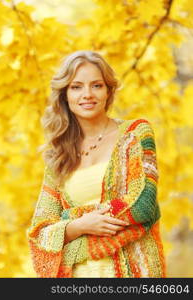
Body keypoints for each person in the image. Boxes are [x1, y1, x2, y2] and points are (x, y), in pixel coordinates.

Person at [27, 50, 166, 278]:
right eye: (76, 86)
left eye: (96, 85)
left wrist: (67, 222)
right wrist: (79, 226)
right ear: (65, 94)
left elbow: (142, 206)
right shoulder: (58, 156)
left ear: (108, 91)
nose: (87, 94)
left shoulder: (135, 134)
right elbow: (40, 233)